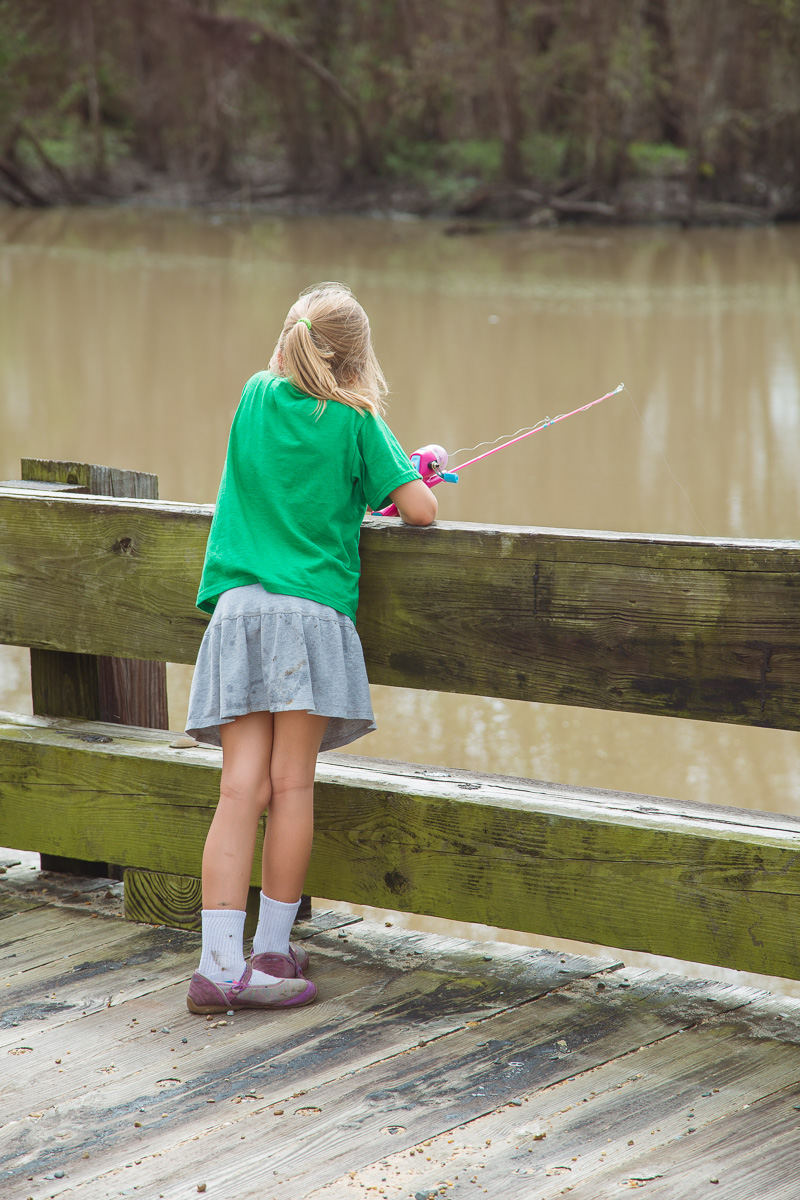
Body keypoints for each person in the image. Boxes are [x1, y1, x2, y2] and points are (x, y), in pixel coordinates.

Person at [184, 282, 437, 1015]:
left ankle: (217, 966)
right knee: (291, 786)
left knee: (239, 791)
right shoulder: (359, 421)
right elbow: (419, 509)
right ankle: (270, 948)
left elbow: (282, 475)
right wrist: (407, 474)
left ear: (289, 339)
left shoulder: (254, 397)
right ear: (359, 360)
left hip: (237, 613)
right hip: (307, 620)